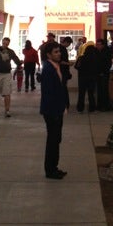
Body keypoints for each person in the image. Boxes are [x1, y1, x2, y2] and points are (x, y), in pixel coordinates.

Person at [40, 41, 69, 179]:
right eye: (56, 52)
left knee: (56, 139)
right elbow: (49, 93)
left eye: (59, 51)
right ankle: (50, 170)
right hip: (52, 111)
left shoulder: (55, 66)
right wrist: (56, 111)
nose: (59, 54)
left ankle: (54, 167)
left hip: (57, 109)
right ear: (48, 55)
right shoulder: (48, 69)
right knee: (53, 139)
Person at [75, 40, 100, 112]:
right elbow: (98, 68)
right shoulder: (96, 59)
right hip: (92, 78)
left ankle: (80, 108)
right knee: (91, 94)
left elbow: (76, 67)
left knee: (81, 94)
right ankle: (92, 108)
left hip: (82, 78)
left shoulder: (81, 58)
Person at [94, 37, 113, 111]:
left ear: (103, 45)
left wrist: (103, 72)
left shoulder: (106, 51)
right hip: (97, 73)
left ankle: (105, 106)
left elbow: (108, 63)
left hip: (104, 73)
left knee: (104, 90)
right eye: (97, 44)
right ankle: (99, 105)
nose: (98, 46)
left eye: (99, 44)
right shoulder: (95, 51)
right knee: (99, 90)